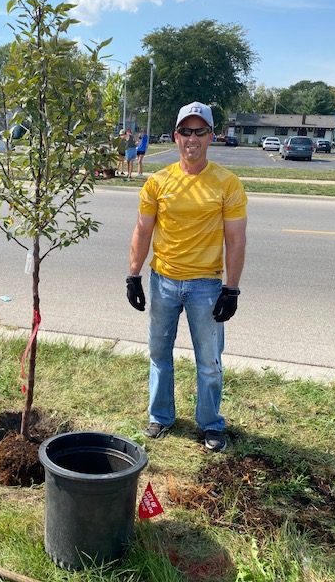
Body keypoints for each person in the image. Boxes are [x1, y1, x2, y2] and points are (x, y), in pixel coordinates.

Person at [126, 101, 247, 451]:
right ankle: (160, 416)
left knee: (209, 361)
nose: (192, 139)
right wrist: (133, 275)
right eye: (185, 131)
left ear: (211, 136)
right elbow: (142, 230)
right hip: (162, 281)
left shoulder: (227, 184)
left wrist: (232, 289)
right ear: (176, 135)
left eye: (200, 132)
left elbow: (236, 238)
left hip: (206, 287)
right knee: (159, 353)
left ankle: (210, 423)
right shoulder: (158, 182)